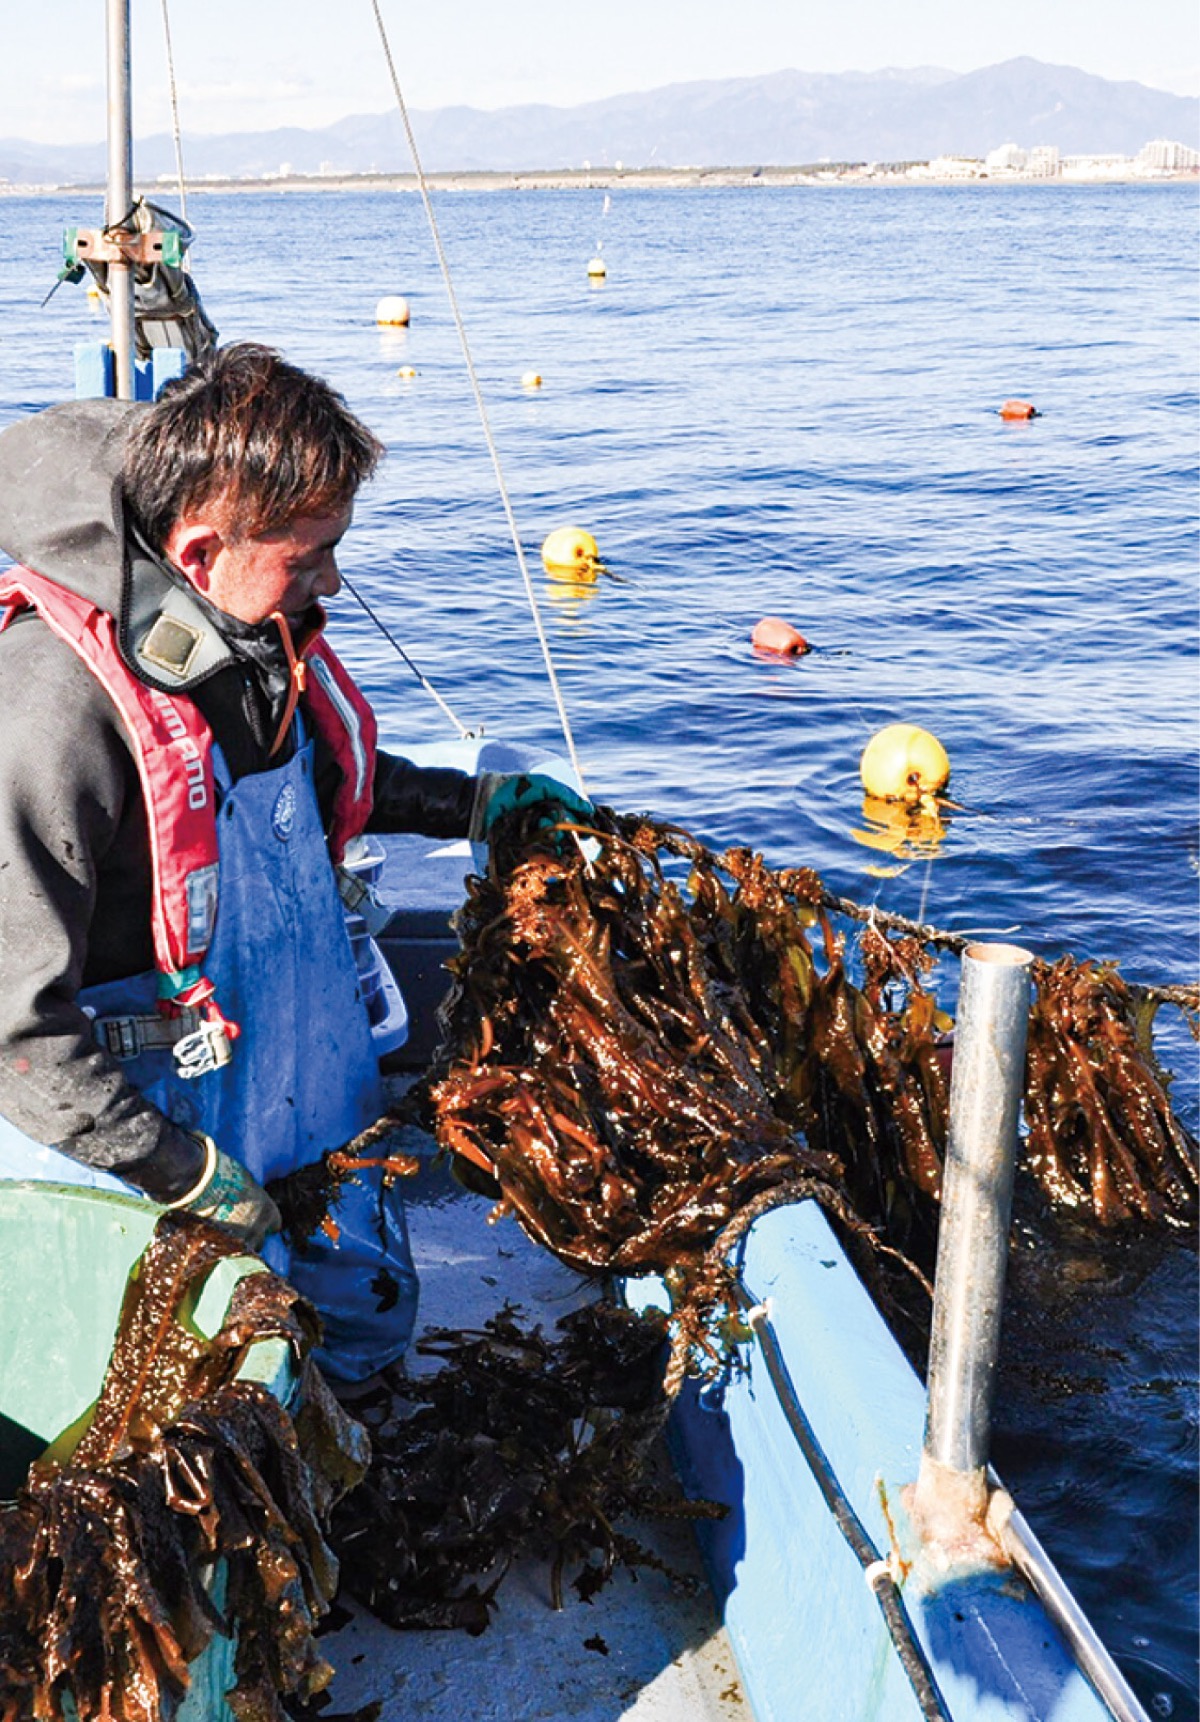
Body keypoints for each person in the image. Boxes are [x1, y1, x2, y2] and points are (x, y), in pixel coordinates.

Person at [0, 342, 588, 1384]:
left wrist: (471, 801)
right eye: (309, 554)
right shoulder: (48, 716)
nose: (332, 580)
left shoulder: (242, 627)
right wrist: (181, 1174)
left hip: (297, 1073)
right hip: (145, 1125)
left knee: (359, 1329)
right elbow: (17, 1036)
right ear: (197, 551)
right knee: (215, 1385)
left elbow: (310, 774)